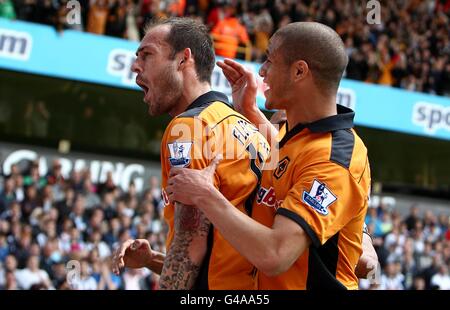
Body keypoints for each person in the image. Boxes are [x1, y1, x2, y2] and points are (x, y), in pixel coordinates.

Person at [166, 22, 374, 289]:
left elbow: (275, 255)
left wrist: (205, 195)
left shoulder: (335, 159)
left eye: (270, 60)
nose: (261, 71)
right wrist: (250, 111)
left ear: (299, 71)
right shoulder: (299, 136)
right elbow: (285, 157)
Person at [111, 17, 270, 290]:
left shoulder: (189, 126)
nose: (135, 66)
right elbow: (218, 252)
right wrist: (152, 260)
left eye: (147, 55)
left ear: (184, 59)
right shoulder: (250, 128)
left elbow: (190, 246)